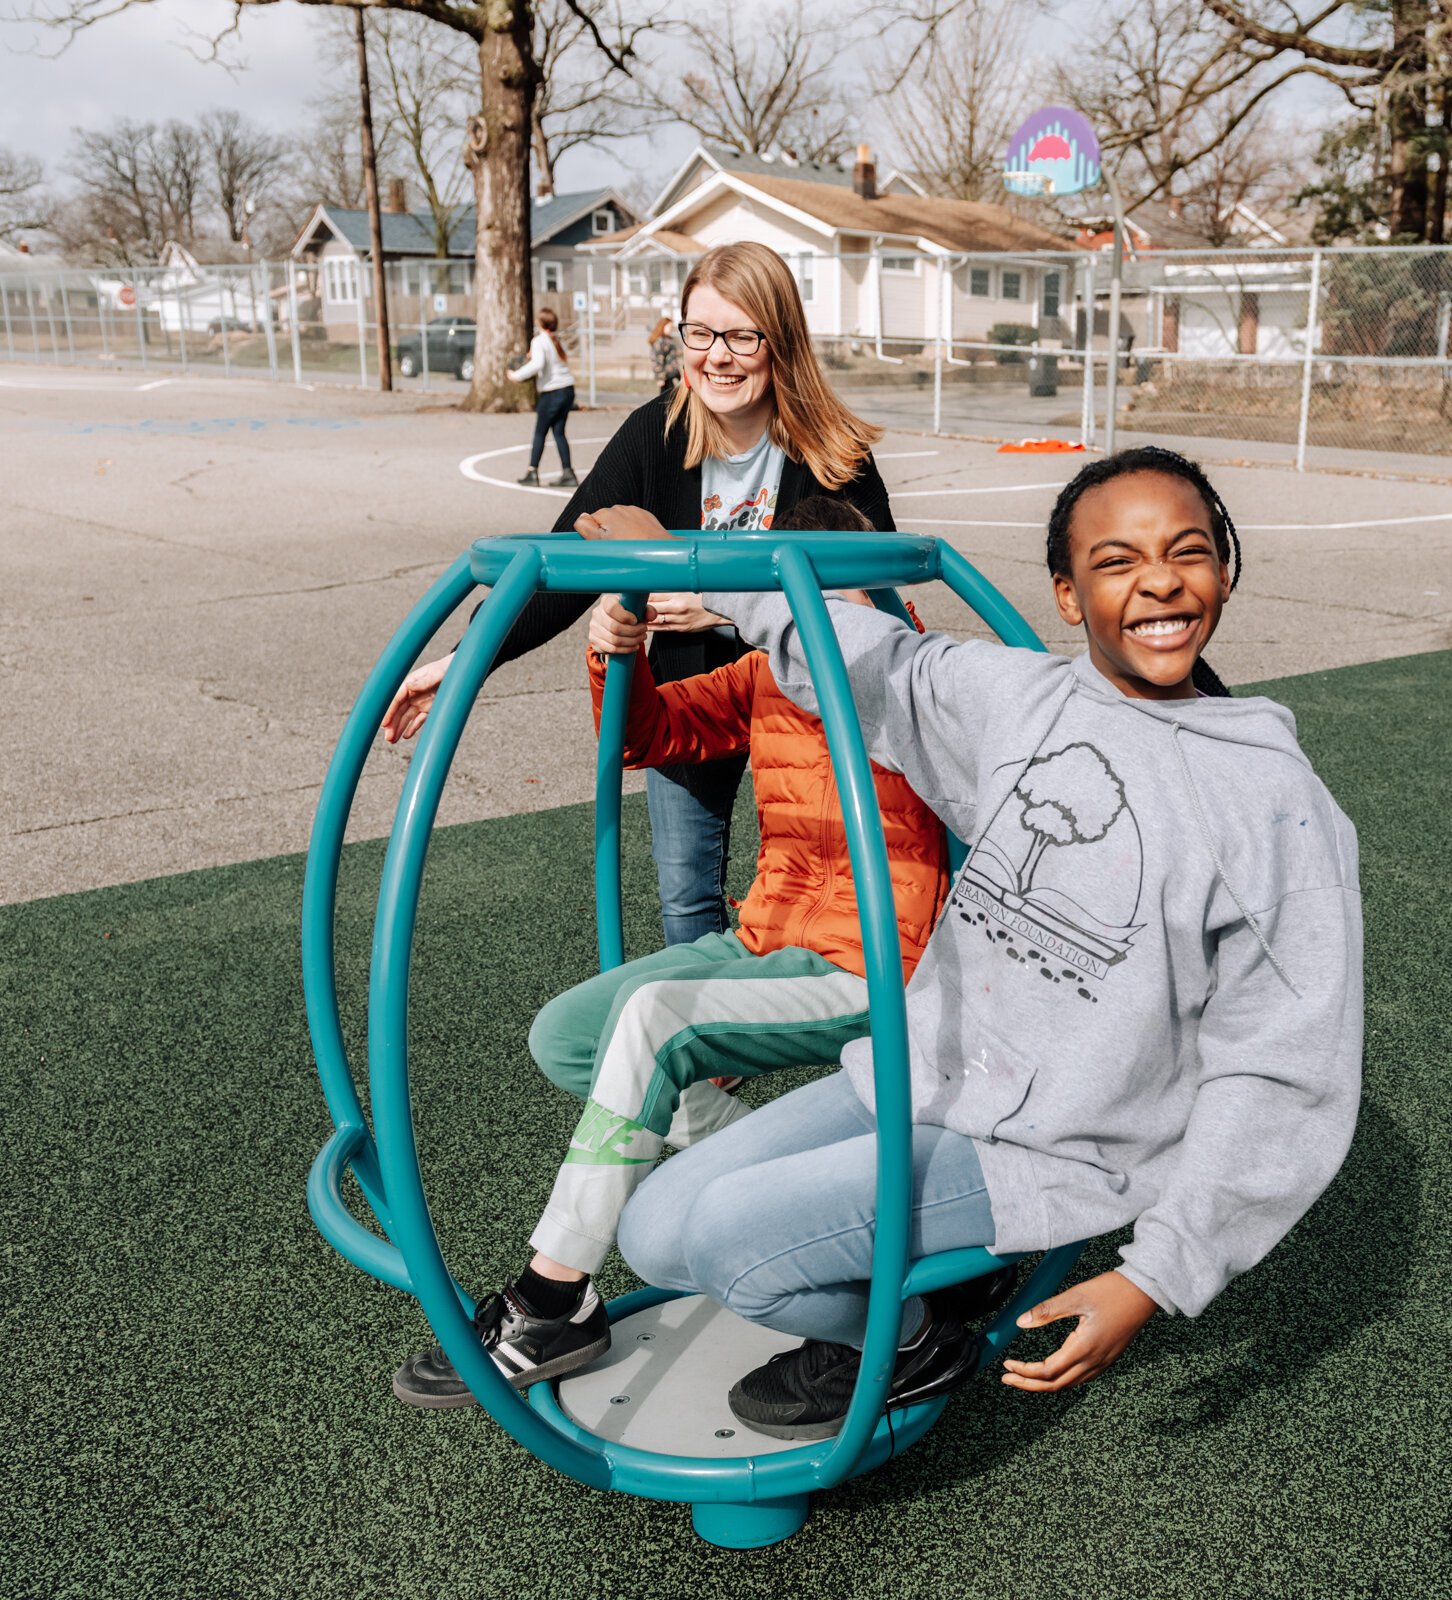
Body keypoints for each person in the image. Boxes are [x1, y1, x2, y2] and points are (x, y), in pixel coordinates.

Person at [609, 447, 1363, 1441]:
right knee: (653, 1230)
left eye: (1188, 551)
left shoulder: (1273, 804)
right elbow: (865, 652)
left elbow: (1284, 1067)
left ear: (1223, 566)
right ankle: (920, 1292)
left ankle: (913, 1340)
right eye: (1117, 560)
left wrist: (1153, 1274)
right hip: (923, 1075)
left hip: (1058, 1142)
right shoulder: (1024, 701)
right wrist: (694, 563)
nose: (1161, 581)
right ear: (1065, 592)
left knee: (728, 1244)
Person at [390, 499, 974, 1407]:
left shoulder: (920, 678)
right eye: (801, 593)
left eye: (839, 590)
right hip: (766, 937)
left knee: (657, 1025)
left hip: (874, 967)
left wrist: (731, 598)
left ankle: (553, 1293)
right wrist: (616, 651)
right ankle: (781, 1188)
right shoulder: (762, 676)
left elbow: (873, 694)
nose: (819, 616)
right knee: (572, 1035)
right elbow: (646, 739)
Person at [381, 242, 895, 950]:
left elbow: (874, 602)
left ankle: (851, 1047)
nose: (717, 355)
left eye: (742, 335)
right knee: (686, 899)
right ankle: (709, 1055)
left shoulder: (833, 454)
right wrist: (465, 660)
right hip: (693, 690)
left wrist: (721, 608)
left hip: (804, 701)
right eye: (700, 332)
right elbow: (564, 557)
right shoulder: (659, 432)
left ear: (780, 341)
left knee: (836, 897)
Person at [509, 307, 576, 489]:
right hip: (567, 389)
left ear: (541, 323)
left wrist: (516, 375)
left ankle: (532, 472)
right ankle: (568, 472)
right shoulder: (555, 340)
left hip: (553, 392)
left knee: (540, 432)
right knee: (559, 432)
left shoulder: (539, 340)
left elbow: (538, 364)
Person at [646, 314, 682, 393]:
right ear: (663, 327)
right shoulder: (659, 342)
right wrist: (660, 378)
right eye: (669, 327)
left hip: (673, 374)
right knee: (666, 399)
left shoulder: (668, 340)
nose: (671, 330)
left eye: (671, 328)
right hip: (666, 376)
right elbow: (657, 361)